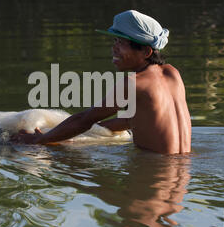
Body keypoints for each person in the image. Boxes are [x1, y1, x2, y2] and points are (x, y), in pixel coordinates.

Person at [11, 10, 191, 154]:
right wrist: (95, 132)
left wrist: (38, 140)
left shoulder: (133, 83)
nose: (113, 48)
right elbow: (134, 120)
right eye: (115, 41)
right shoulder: (173, 74)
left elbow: (85, 119)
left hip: (156, 172)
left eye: (121, 42)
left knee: (75, 175)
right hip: (182, 175)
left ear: (145, 52)